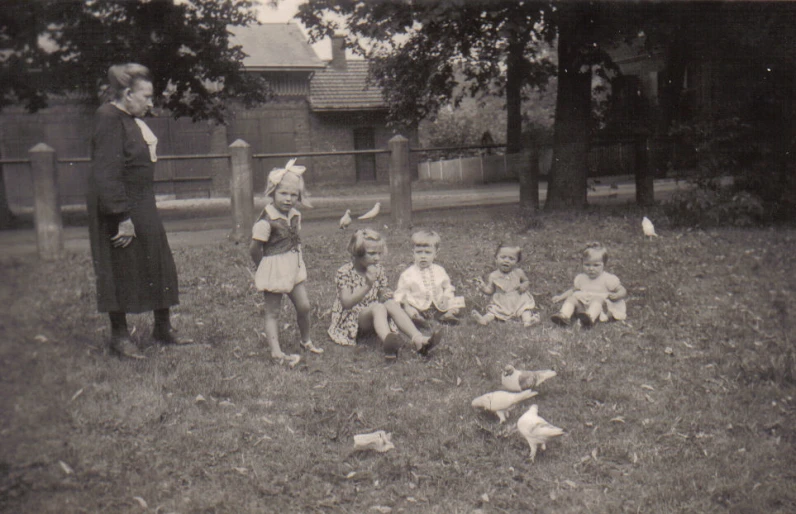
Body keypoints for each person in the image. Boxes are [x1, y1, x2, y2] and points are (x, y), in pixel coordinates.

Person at [87, 63, 189, 359]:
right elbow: (106, 172)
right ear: (128, 94)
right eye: (146, 96)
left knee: (157, 259)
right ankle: (119, 337)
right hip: (118, 205)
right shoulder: (108, 117)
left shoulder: (130, 117)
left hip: (142, 201)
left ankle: (163, 328)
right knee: (120, 266)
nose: (150, 102)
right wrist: (122, 216)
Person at [250, 159, 322, 368]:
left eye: (294, 195)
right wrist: (263, 267)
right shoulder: (266, 220)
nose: (289, 199)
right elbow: (254, 249)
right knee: (273, 312)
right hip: (273, 268)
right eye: (283, 194)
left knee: (304, 306)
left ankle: (305, 340)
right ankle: (276, 352)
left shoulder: (294, 215)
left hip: (292, 266)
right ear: (272, 192)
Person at [328, 229, 442, 359]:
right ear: (357, 253)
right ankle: (388, 341)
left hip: (375, 314)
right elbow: (346, 303)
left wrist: (385, 294)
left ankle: (418, 339)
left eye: (379, 253)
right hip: (351, 319)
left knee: (390, 303)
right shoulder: (345, 272)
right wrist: (367, 286)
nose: (377, 257)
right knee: (378, 307)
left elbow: (381, 291)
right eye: (371, 253)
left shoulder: (378, 269)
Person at [394, 229, 464, 327]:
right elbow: (401, 292)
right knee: (408, 308)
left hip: (439, 305)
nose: (423, 256)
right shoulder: (408, 274)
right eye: (419, 252)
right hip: (419, 305)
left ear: (436, 254)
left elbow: (448, 287)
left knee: (456, 302)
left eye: (427, 252)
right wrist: (405, 303)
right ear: (412, 253)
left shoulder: (439, 270)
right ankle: (417, 318)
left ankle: (448, 315)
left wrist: (445, 296)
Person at [551, 242, 627, 327]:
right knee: (572, 299)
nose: (591, 269)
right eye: (587, 265)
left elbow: (621, 289)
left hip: (601, 308)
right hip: (583, 307)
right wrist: (560, 297)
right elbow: (573, 290)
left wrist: (618, 295)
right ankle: (564, 315)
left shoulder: (608, 278)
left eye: (596, 265)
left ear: (604, 265)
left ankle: (590, 318)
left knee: (597, 299)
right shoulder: (581, 278)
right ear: (582, 263)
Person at [471, 243, 540, 327]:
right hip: (501, 301)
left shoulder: (518, 272)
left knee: (525, 309)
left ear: (516, 262)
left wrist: (524, 285)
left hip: (518, 299)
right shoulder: (493, 275)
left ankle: (528, 321)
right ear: (496, 259)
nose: (506, 260)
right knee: (493, 311)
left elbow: (526, 280)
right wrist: (483, 287)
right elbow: (490, 290)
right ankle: (484, 320)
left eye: (511, 259)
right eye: (503, 257)